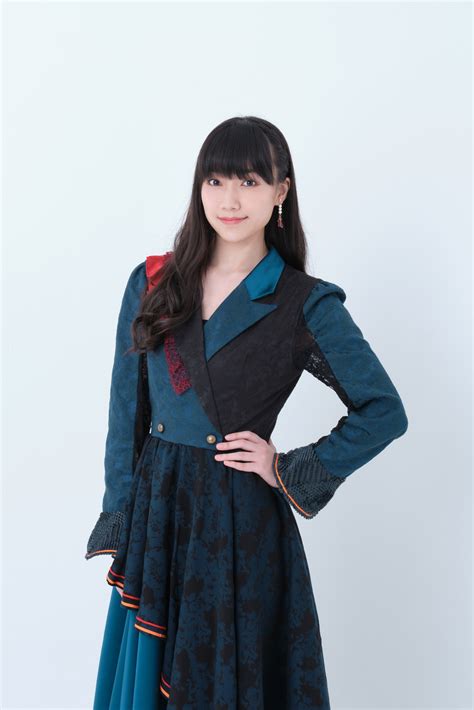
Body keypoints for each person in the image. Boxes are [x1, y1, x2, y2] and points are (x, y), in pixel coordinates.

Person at [85, 115, 408, 709]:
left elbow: (383, 411)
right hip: (159, 519)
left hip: (239, 521)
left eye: (250, 182)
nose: (230, 200)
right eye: (215, 181)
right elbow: (125, 416)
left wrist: (286, 467)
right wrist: (123, 517)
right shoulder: (153, 282)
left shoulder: (303, 302)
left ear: (281, 190)